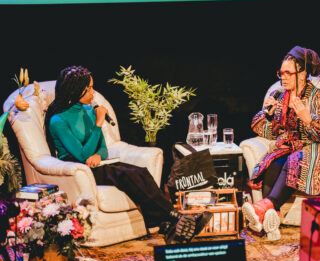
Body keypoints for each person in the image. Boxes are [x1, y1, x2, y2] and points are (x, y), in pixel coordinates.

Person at [44, 66, 211, 244]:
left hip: (97, 164)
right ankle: (175, 217)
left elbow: (103, 148)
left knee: (139, 172)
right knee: (126, 175)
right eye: (89, 89)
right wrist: (99, 124)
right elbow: (82, 155)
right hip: (78, 169)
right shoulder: (58, 121)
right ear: (75, 91)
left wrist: (99, 155)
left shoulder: (90, 111)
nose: (93, 93)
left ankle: (167, 225)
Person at [242, 46, 320, 241]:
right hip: (290, 145)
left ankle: (261, 210)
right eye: (281, 73)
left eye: (288, 73)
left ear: (302, 74)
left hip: (314, 145)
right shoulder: (279, 96)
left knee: (294, 160)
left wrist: (308, 119)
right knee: (273, 162)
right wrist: (268, 115)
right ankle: (271, 223)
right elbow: (264, 130)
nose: (283, 78)